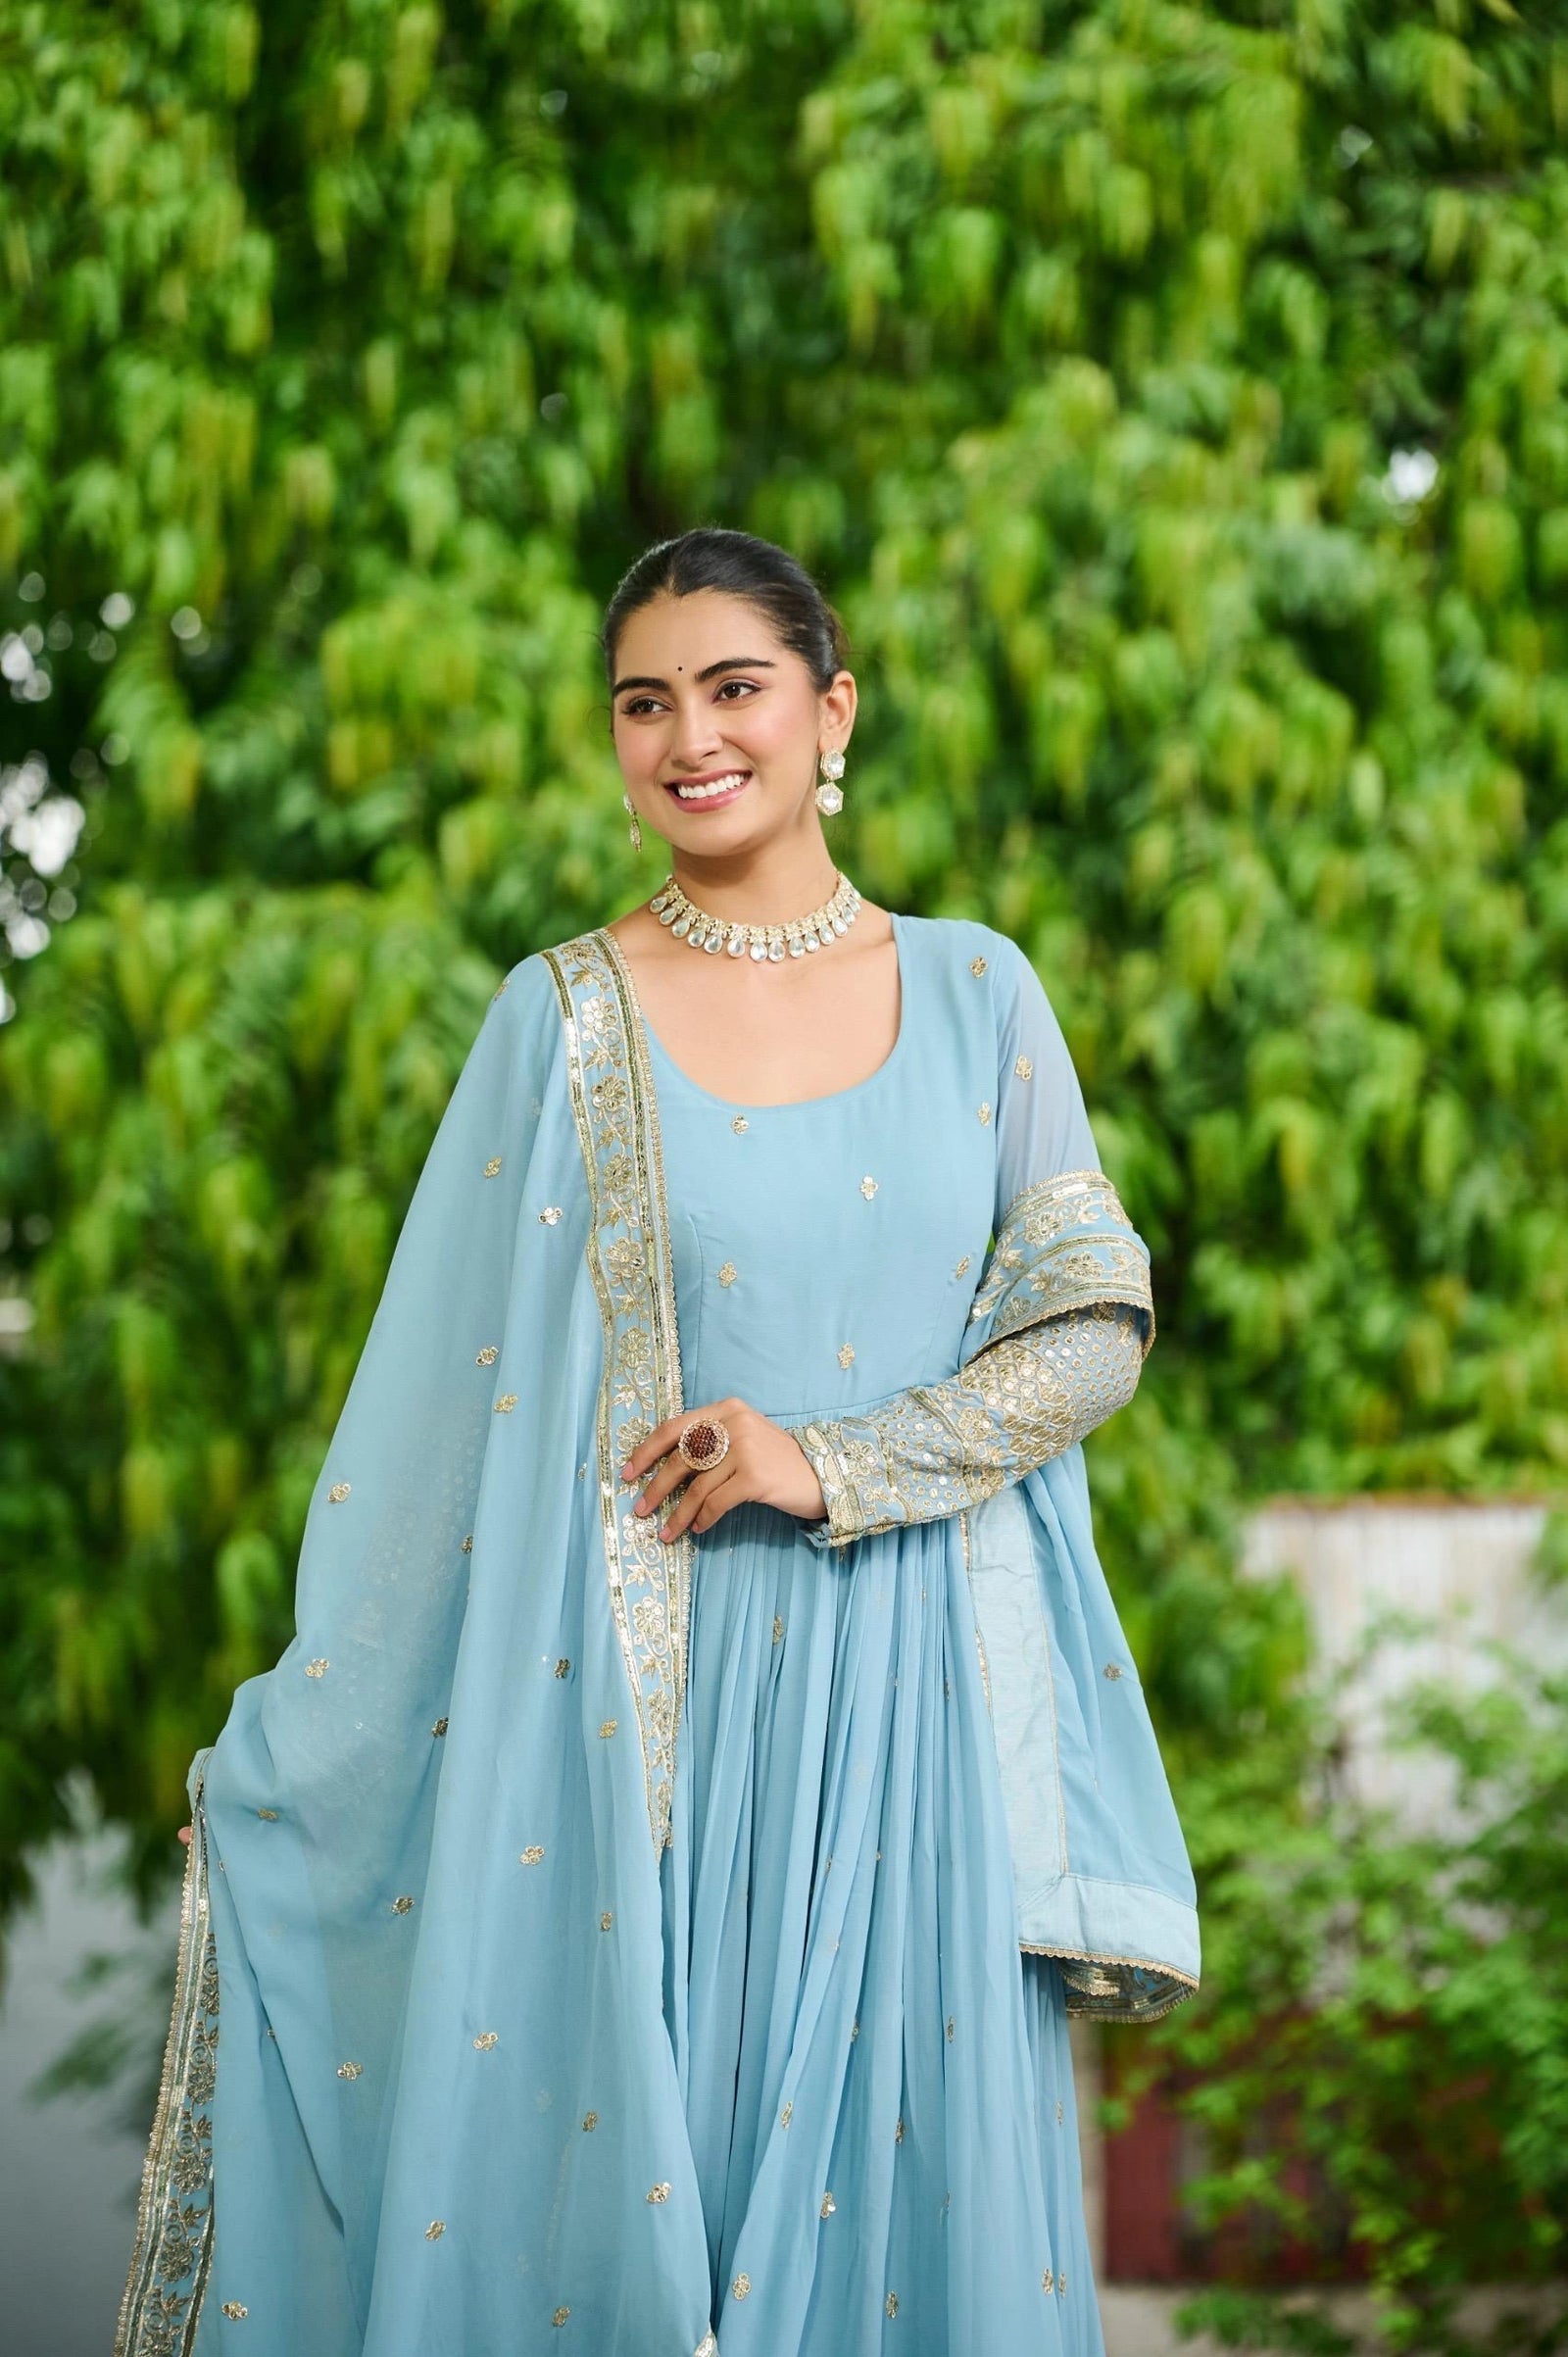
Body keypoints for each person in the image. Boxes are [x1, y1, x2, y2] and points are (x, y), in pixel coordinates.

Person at [122, 527, 1197, 2357]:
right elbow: (430, 1453)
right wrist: (302, 1746)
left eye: (733, 686)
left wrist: (832, 1458)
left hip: (916, 1719)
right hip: (641, 1746)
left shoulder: (978, 993)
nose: (688, 735)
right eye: (644, 701)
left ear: (830, 710)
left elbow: (1093, 1326)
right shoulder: (560, 1022)